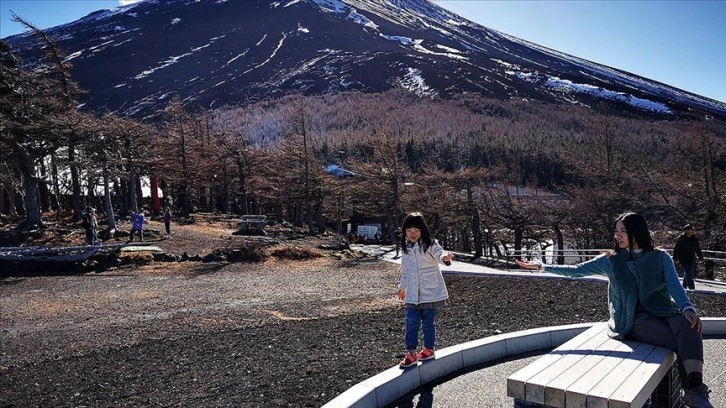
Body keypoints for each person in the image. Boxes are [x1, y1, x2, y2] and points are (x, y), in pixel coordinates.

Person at [516, 212, 713, 408]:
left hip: (663, 310)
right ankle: (695, 395)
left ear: (637, 232)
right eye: (616, 231)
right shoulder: (611, 261)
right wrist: (542, 267)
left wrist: (687, 308)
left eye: (622, 231)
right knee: (678, 341)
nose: (617, 236)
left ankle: (695, 391)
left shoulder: (660, 257)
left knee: (690, 326)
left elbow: (675, 288)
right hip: (633, 318)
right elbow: (576, 272)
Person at [397, 212, 454, 369]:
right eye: (409, 231)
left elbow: (439, 253)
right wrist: (402, 287)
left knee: (428, 323)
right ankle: (410, 352)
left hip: (430, 292)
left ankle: (429, 349)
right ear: (404, 232)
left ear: (423, 230)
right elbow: (405, 270)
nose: (412, 234)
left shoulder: (429, 244)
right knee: (411, 323)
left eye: (416, 230)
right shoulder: (406, 248)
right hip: (413, 295)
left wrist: (445, 257)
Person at [673, 224, 704, 290]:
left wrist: (700, 256)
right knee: (689, 274)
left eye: (693, 230)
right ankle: (692, 290)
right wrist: (675, 258)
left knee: (687, 274)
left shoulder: (694, 239)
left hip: (692, 259)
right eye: (691, 229)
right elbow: (676, 249)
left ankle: (683, 288)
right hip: (684, 259)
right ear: (686, 231)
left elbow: (697, 248)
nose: (692, 231)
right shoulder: (681, 239)